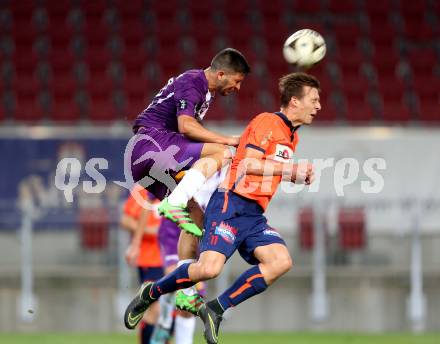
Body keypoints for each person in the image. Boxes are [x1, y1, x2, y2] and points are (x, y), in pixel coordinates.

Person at [123, 72, 321, 343]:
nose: (318, 106)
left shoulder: (291, 136)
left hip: (253, 215)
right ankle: (151, 293)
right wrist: (291, 171)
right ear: (295, 102)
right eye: (314, 99)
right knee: (208, 269)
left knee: (280, 261)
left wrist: (292, 172)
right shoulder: (268, 122)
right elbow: (248, 165)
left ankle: (216, 308)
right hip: (230, 203)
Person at [130, 47, 250, 238]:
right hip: (153, 143)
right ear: (221, 74)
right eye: (237, 81)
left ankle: (197, 259)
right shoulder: (193, 81)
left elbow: (192, 131)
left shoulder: (204, 93)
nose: (238, 88)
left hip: (147, 158)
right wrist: (229, 140)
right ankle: (175, 202)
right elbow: (186, 126)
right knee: (224, 152)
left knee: (195, 215)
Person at [120, 185, 163, 344]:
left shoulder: (180, 186)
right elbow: (125, 220)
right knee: (155, 308)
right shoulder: (143, 189)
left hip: (173, 258)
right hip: (150, 260)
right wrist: (151, 231)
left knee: (171, 309)